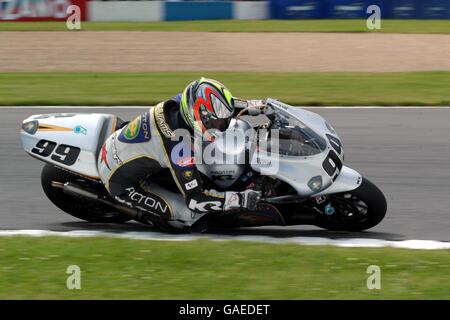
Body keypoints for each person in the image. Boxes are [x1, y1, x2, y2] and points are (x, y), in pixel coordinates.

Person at [97, 77, 261, 230]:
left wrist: (253, 106)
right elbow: (195, 200)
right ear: (197, 114)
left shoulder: (183, 102)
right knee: (191, 216)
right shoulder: (178, 147)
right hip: (120, 180)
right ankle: (159, 220)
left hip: (123, 144)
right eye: (217, 122)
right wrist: (239, 199)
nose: (221, 126)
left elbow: (219, 107)